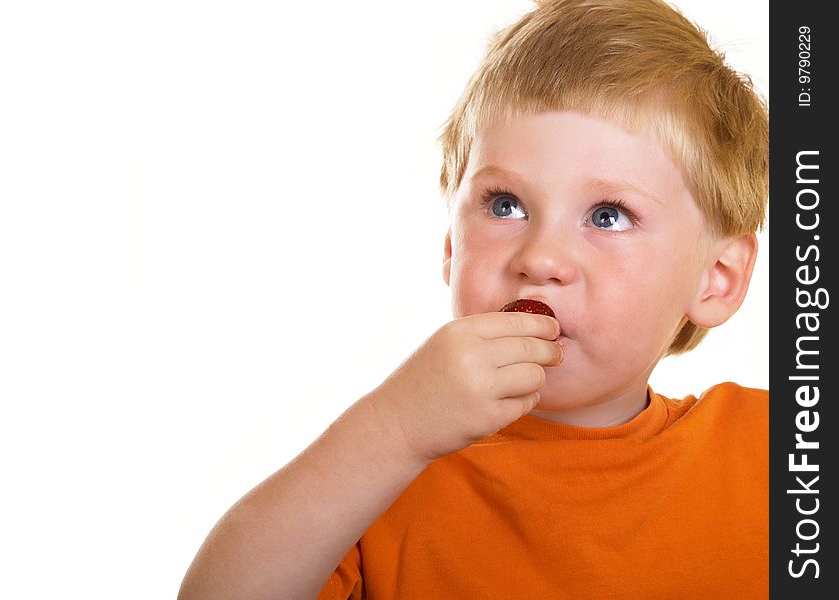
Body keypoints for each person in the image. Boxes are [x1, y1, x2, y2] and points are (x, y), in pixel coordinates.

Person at [178, 0, 769, 597]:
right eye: (504, 205)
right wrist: (393, 431)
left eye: (607, 215)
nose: (539, 258)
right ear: (450, 245)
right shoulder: (381, 475)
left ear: (717, 277)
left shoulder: (772, 452)